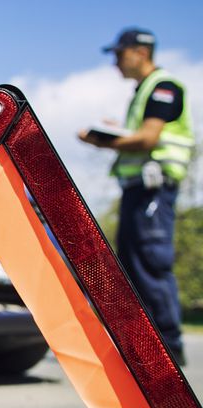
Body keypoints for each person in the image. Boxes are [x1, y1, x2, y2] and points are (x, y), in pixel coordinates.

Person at [79, 27, 194, 366]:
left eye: (118, 54)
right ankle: (144, 348)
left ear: (140, 52)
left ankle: (169, 351)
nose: (115, 62)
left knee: (150, 263)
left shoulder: (163, 87)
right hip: (138, 191)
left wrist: (104, 141)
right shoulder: (144, 91)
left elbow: (147, 139)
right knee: (132, 265)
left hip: (153, 191)